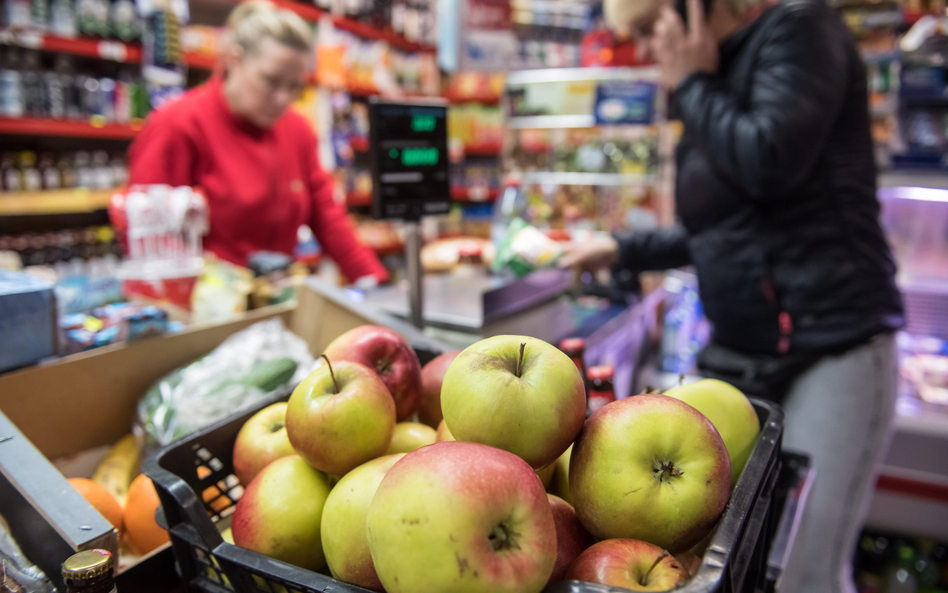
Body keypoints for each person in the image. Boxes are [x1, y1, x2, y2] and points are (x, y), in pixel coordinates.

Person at [562, 0, 905, 592]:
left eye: (648, 30)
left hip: (834, 345)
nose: (644, 51)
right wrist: (623, 250)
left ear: (694, 10)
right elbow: (723, 229)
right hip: (743, 348)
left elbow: (769, 160)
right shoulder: (715, 80)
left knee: (806, 572)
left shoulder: (801, 31)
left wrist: (693, 81)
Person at [128, 1, 387, 284]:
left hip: (277, 301)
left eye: (294, 86)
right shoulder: (178, 125)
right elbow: (147, 236)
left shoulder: (297, 129)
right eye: (271, 81)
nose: (283, 99)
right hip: (206, 311)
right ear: (235, 60)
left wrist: (375, 283)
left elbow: (328, 217)